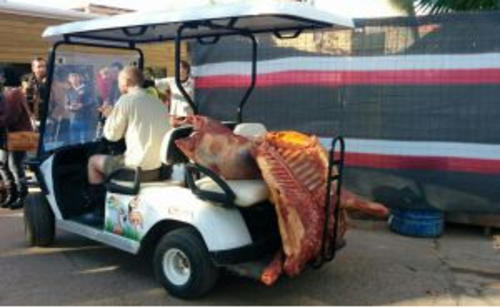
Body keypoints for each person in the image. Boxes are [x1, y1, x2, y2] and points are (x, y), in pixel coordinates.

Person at [88, 66, 170, 193]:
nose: (118, 84)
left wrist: (109, 117)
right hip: (160, 168)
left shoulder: (125, 100)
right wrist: (114, 116)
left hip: (136, 171)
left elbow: (111, 136)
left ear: (126, 81)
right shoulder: (157, 102)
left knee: (93, 162)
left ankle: (98, 205)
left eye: (119, 81)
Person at [0, 67, 33, 209]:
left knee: (15, 166)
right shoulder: (5, 93)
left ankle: (22, 195)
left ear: (4, 77)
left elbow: (11, 117)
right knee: (3, 165)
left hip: (18, 134)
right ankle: (11, 194)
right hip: (7, 135)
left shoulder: (13, 93)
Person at [155, 60, 194, 127]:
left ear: (186, 69)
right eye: (176, 68)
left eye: (180, 68)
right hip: (175, 119)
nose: (177, 70)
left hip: (189, 118)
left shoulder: (193, 83)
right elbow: (157, 83)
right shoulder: (172, 81)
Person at [66, 72, 94, 143]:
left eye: (76, 76)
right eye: (72, 76)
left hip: (85, 119)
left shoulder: (87, 89)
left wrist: (82, 105)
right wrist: (69, 107)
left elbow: (93, 101)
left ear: (79, 77)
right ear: (69, 79)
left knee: (85, 141)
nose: (74, 78)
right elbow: (66, 104)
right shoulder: (69, 91)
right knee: (74, 141)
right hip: (73, 120)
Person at [22, 57, 47, 122]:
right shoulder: (26, 79)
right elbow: (25, 99)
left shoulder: (51, 80)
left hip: (47, 116)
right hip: (31, 116)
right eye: (39, 67)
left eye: (44, 66)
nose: (42, 69)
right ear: (33, 69)